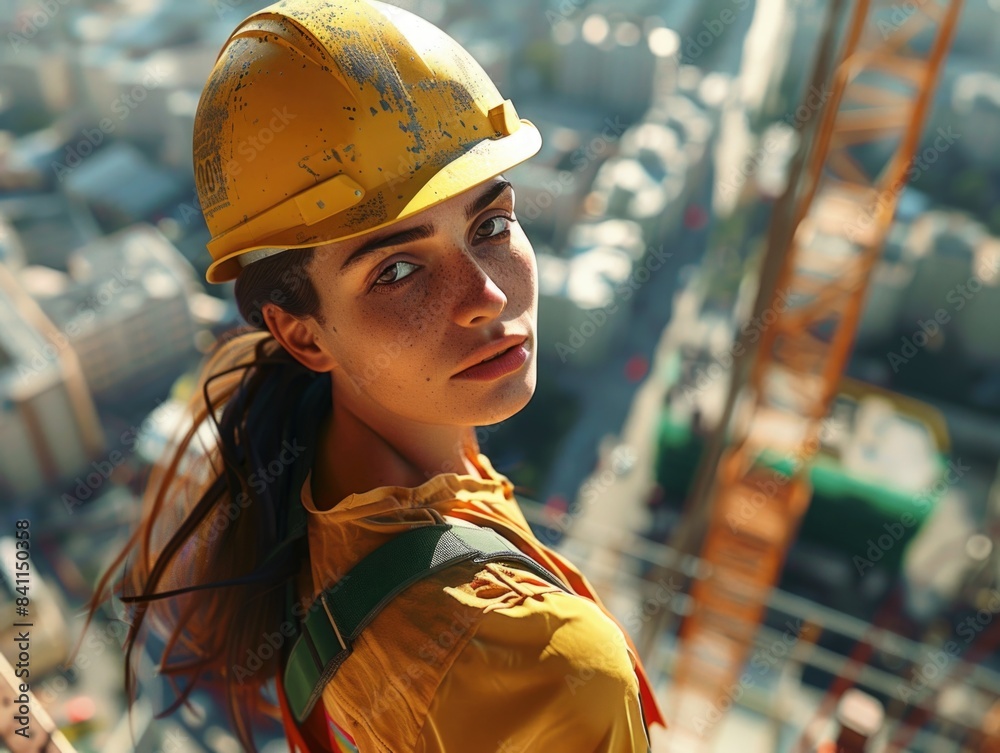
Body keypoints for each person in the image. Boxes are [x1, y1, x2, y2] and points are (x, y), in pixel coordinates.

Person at [84, 0, 667, 750]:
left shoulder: (315, 491)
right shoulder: (545, 664)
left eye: (490, 224)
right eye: (396, 269)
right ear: (301, 333)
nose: (486, 297)